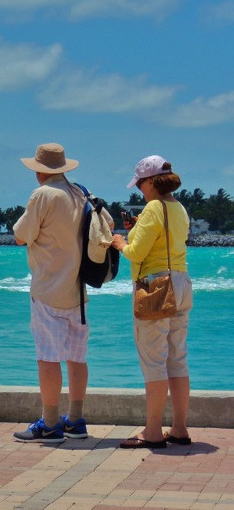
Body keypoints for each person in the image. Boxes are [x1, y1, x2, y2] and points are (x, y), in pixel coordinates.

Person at [12, 143, 113, 444]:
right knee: (76, 358)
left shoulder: (43, 194)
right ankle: (76, 420)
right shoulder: (80, 192)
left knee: (48, 358)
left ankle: (51, 423)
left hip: (48, 288)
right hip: (78, 290)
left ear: (40, 170)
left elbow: (20, 235)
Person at [111, 155, 192, 449]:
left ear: (150, 182)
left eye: (141, 185)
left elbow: (135, 253)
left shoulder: (152, 208)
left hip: (156, 287)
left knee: (154, 362)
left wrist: (120, 241)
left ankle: (153, 431)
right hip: (181, 282)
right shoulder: (179, 208)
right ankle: (180, 428)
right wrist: (137, 228)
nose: (139, 191)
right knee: (177, 359)